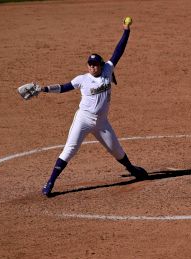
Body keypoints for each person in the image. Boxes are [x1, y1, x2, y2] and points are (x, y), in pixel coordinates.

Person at [39, 20, 148, 197]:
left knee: (117, 151)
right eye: (90, 64)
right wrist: (45, 89)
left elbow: (119, 50)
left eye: (95, 64)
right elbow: (64, 87)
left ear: (101, 64)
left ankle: (133, 169)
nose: (92, 67)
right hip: (83, 119)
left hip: (102, 122)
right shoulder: (82, 79)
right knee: (70, 150)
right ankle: (50, 182)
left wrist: (126, 31)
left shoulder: (107, 69)